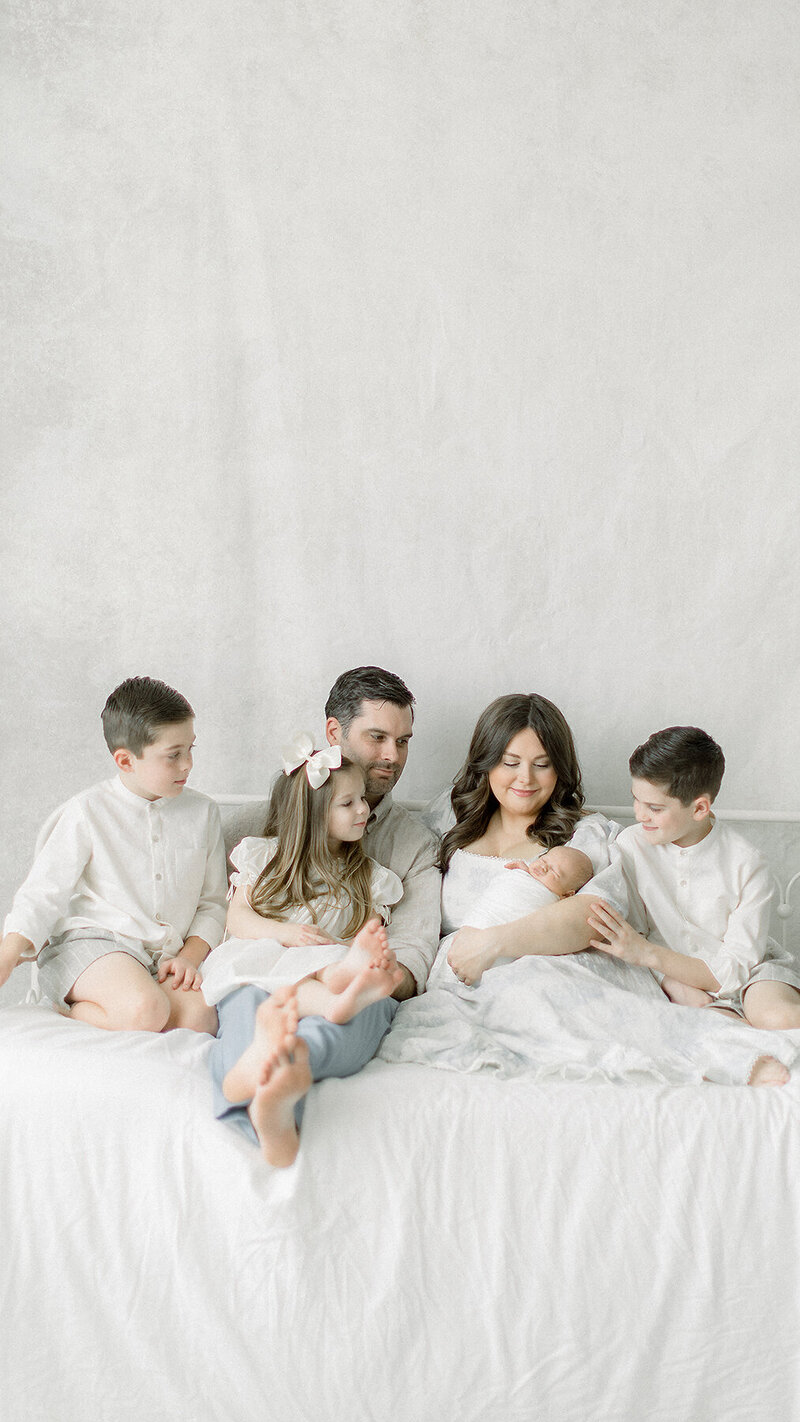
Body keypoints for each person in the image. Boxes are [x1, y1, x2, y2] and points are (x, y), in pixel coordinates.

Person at [380, 696, 793, 1088]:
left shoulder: (584, 832)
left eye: (542, 765)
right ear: (486, 763)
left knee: (535, 986)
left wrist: (493, 943)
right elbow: (393, 871)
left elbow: (595, 915)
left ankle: (729, 1053)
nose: (525, 779)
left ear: (560, 770)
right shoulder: (446, 818)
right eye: (510, 762)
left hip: (554, 964)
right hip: (457, 978)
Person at [206, 742, 406, 1166]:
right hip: (261, 967)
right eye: (347, 803)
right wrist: (285, 933)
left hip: (325, 969)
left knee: (351, 986)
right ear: (313, 816)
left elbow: (365, 935)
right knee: (257, 1003)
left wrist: (356, 957)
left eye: (363, 801)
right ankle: (258, 1087)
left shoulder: (369, 878)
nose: (363, 811)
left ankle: (270, 1093)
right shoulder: (263, 857)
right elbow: (237, 919)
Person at [0, 677, 226, 1033]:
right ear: (125, 760)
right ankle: (70, 1011)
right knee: (146, 1009)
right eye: (173, 755)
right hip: (93, 944)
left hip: (161, 957)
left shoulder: (203, 812)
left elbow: (213, 903)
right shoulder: (86, 811)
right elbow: (44, 892)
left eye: (190, 749)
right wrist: (8, 954)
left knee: (199, 1019)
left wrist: (188, 957)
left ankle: (126, 1003)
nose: (187, 765)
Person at [585, 726, 800, 1030]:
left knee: (778, 1018)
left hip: (752, 973)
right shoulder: (630, 846)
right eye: (636, 800)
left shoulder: (747, 863)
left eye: (654, 808)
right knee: (716, 1033)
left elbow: (736, 968)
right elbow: (634, 935)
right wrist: (674, 984)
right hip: (669, 975)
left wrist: (649, 955)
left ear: (699, 808)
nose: (639, 815)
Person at [323, 665, 441, 996]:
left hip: (363, 994)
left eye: (402, 741)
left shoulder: (416, 846)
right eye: (377, 738)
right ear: (335, 732)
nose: (392, 756)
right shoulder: (267, 823)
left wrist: (372, 978)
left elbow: (412, 953)